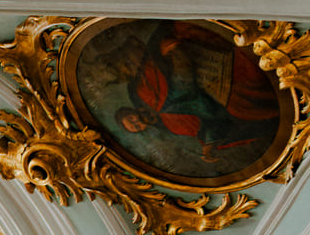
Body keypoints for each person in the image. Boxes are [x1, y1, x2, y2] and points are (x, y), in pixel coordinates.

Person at [111, 22, 278, 163]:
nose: (138, 121)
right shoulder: (172, 126)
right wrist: (208, 144)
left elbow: (160, 65)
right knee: (245, 105)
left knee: (187, 29)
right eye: (136, 127)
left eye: (131, 119)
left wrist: (173, 53)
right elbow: (208, 122)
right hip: (216, 91)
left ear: (131, 110)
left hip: (197, 60)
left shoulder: (142, 91)